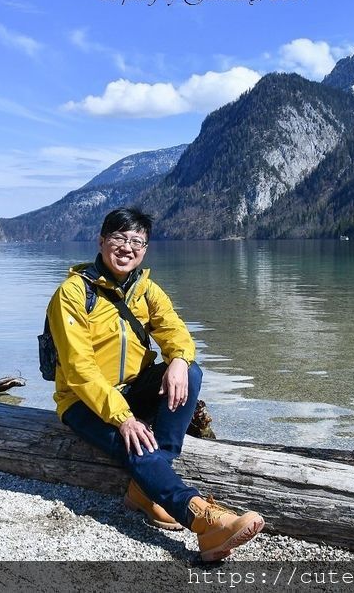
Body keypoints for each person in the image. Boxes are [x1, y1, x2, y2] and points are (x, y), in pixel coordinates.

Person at [46, 208, 264, 561]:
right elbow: (77, 368)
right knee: (136, 444)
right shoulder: (72, 294)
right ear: (101, 241)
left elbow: (176, 331)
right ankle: (205, 522)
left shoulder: (145, 290)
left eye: (137, 242)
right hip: (82, 401)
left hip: (133, 390)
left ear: (145, 249)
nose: (127, 248)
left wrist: (178, 359)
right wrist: (123, 419)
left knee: (190, 372)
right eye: (119, 238)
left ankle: (145, 487)